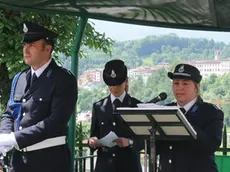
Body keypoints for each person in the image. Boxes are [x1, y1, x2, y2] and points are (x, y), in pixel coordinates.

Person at [0, 21, 77, 172]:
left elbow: (56, 122)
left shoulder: (63, 79)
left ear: (47, 49)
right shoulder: (20, 78)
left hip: (49, 162)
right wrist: (4, 136)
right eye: (24, 45)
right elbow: (9, 113)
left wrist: (15, 138)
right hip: (19, 163)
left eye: (32, 45)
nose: (26, 49)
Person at [156, 63, 224, 172]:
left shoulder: (211, 112)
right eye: (176, 83)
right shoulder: (165, 111)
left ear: (197, 87)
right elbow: (154, 147)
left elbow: (211, 146)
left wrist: (184, 122)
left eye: (185, 84)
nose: (179, 88)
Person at [88, 59, 144, 172]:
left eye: (118, 85)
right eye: (110, 85)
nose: (114, 89)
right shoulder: (98, 107)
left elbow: (144, 140)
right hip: (104, 167)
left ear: (126, 81)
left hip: (129, 166)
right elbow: (94, 134)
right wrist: (93, 142)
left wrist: (129, 142)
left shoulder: (137, 106)